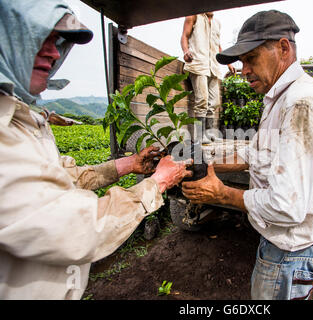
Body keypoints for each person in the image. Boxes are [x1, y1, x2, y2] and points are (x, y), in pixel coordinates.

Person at [0, 0, 192, 299]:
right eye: (40, 38)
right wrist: (158, 183)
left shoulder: (23, 117)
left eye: (56, 42)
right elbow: (74, 229)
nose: (53, 53)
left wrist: (128, 164)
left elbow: (64, 180)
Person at [182, 10, 313, 300]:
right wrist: (206, 163)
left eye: (251, 58)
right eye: (243, 61)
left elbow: (286, 207)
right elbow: (254, 152)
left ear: (284, 48)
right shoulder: (279, 98)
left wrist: (220, 195)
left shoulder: (301, 103)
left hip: (291, 253)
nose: (244, 70)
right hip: (286, 248)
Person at [181, 12, 235, 144]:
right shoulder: (193, 16)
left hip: (213, 66)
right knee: (202, 101)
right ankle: (199, 137)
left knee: (215, 101)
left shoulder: (217, 23)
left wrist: (228, 62)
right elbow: (184, 36)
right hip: (199, 63)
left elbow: (218, 45)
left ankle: (209, 133)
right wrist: (186, 52)